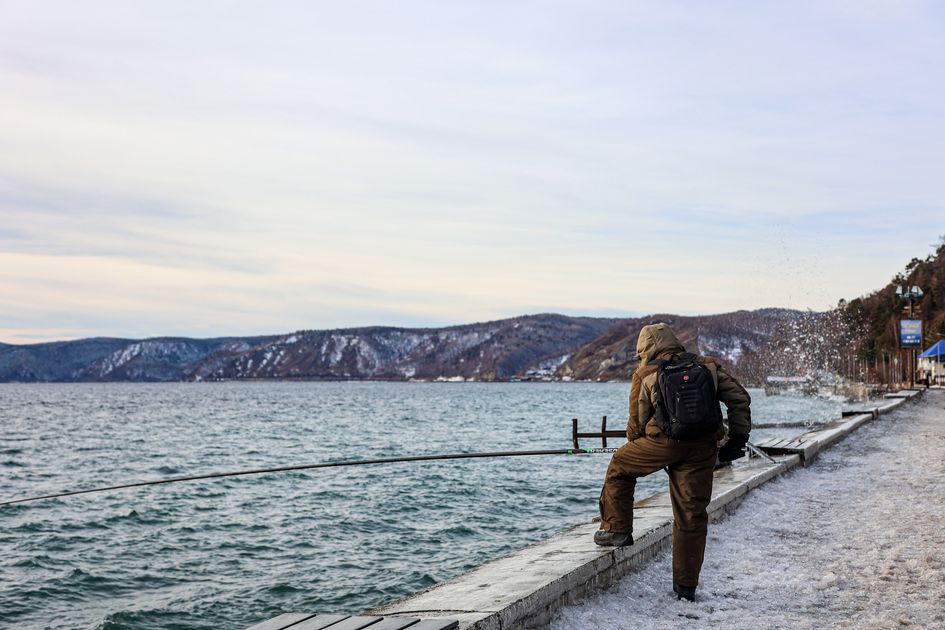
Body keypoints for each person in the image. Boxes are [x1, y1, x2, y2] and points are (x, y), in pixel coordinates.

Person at [593, 323, 752, 602]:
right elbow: (739, 399)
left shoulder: (645, 373)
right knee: (691, 516)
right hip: (703, 448)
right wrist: (737, 442)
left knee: (619, 465)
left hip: (662, 444)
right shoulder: (708, 366)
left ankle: (617, 530)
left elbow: (636, 426)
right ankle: (685, 588)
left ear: (647, 349)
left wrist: (648, 447)